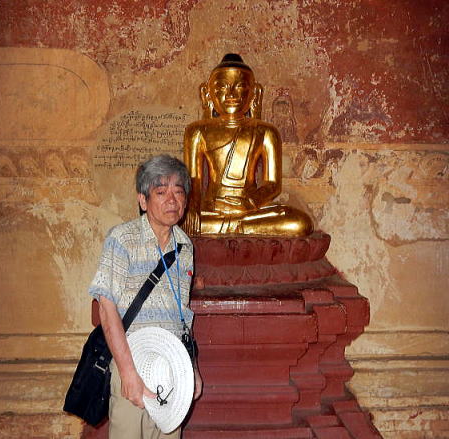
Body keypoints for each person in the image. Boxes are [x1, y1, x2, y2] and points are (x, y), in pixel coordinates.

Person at [89, 154, 203, 439]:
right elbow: (106, 309)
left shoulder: (184, 246)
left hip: (171, 367)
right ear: (143, 200)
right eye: (161, 192)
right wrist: (128, 373)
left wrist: (191, 368)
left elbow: (183, 314)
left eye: (179, 192)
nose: (172, 200)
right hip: (132, 361)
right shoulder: (123, 239)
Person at [183, 53, 314, 236]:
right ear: (207, 93)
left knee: (300, 223)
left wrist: (250, 203)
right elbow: (193, 180)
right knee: (179, 223)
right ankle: (239, 228)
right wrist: (191, 210)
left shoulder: (266, 132)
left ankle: (235, 227)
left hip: (251, 210)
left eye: (240, 86)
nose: (231, 94)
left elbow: (273, 184)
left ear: (255, 93)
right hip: (213, 210)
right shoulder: (197, 131)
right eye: (222, 87)